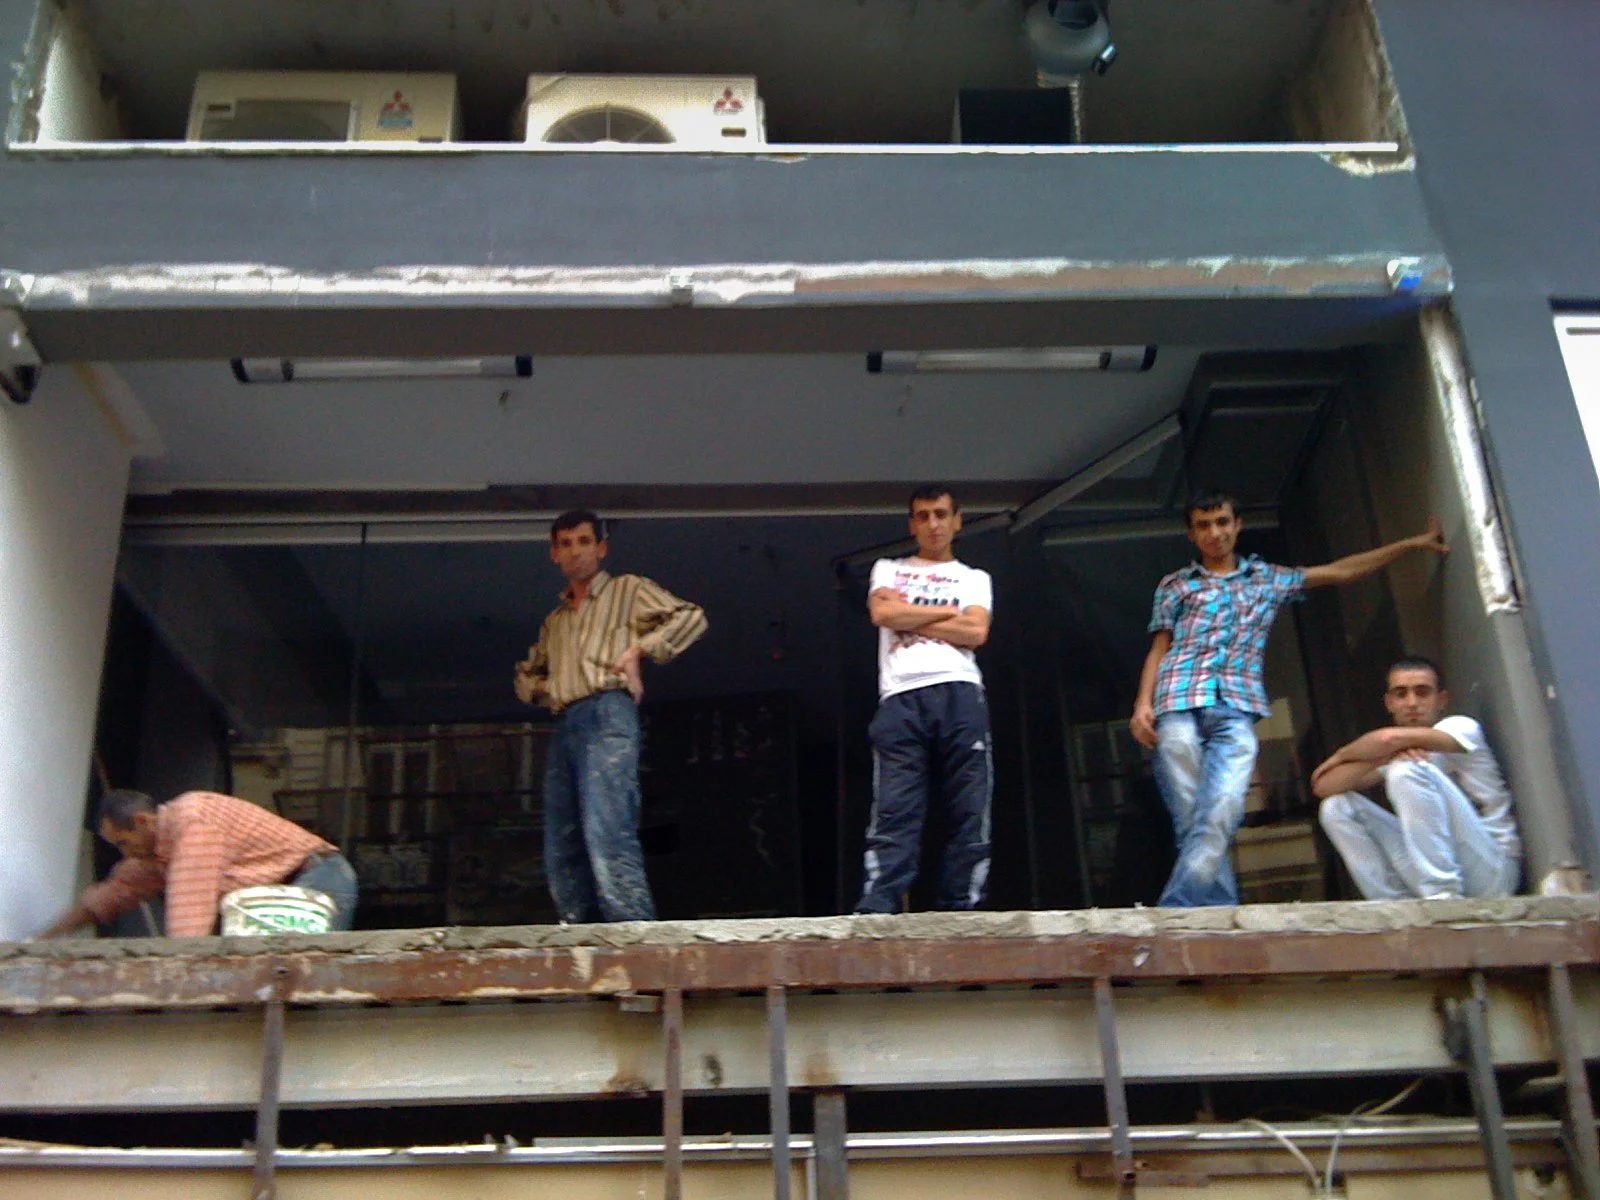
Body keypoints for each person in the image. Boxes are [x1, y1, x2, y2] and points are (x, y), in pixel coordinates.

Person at [1129, 489, 1448, 907]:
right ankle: (1219, 913)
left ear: (1237, 525)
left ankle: (1178, 908)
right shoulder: (1175, 585)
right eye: (1204, 525)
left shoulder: (1268, 579)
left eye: (1222, 522)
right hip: (1176, 701)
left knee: (1222, 806)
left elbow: (1340, 571)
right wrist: (1142, 704)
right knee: (1193, 816)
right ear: (1192, 535)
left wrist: (1408, 545)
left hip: (1236, 709)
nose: (1215, 532)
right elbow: (1160, 647)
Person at [514, 509, 707, 923]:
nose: (575, 553)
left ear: (601, 549)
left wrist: (641, 650)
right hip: (567, 721)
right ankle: (581, 939)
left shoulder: (627, 589)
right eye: (565, 544)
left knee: (607, 828)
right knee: (561, 842)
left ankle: (634, 938)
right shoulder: (556, 620)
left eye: (584, 542)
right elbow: (527, 676)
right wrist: (549, 688)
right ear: (554, 554)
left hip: (607, 712)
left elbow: (690, 616)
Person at [854, 485, 994, 915]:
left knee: (970, 809)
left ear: (957, 520)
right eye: (923, 516)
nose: (933, 524)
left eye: (940, 514)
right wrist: (949, 615)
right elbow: (884, 615)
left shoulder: (975, 577)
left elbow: (976, 633)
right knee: (896, 810)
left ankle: (961, 908)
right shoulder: (888, 569)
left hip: (961, 692)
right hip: (901, 697)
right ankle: (879, 907)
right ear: (912, 524)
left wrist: (912, 614)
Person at [1313, 656, 1521, 899]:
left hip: (1493, 870)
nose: (1411, 703)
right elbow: (1324, 786)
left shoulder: (1461, 728)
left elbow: (1388, 739)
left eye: (1422, 693)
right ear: (1389, 703)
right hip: (1442, 865)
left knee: (1407, 769)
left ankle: (1442, 896)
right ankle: (1393, 906)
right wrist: (1385, 758)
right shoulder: (1395, 755)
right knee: (1336, 807)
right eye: (1401, 694)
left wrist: (1341, 755)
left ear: (1441, 699)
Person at [37, 788, 358, 938]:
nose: (124, 853)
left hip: (319, 878)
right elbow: (109, 896)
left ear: (143, 822)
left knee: (291, 977)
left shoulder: (193, 823)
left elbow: (191, 911)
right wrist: (42, 941)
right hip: (285, 891)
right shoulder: (154, 854)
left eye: (123, 842)